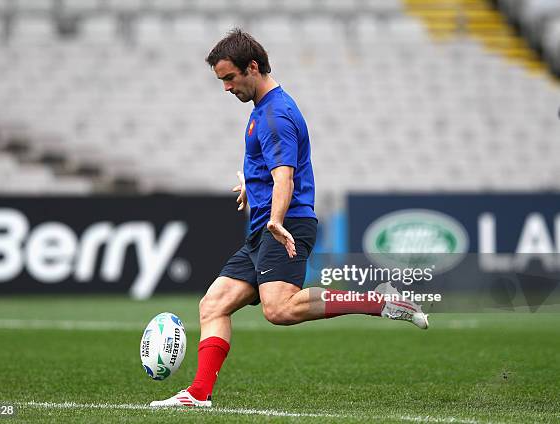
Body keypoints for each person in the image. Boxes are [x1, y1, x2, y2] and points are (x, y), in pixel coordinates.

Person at [150, 29, 428, 408]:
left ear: (252, 67)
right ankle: (198, 394)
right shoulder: (263, 110)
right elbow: (271, 167)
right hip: (264, 228)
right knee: (213, 305)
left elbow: (285, 174)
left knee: (279, 309)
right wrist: (251, 181)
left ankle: (377, 301)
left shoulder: (276, 115)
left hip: (284, 225)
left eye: (229, 78)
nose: (226, 88)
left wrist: (277, 219)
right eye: (221, 80)